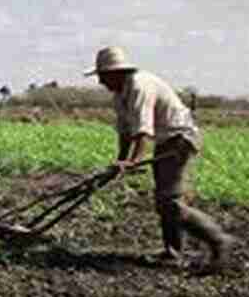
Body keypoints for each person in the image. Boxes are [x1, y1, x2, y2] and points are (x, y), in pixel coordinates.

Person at [85, 46, 236, 272]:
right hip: (166, 140)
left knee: (169, 201)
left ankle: (218, 240)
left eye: (103, 76)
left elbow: (143, 132)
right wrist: (120, 162)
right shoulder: (120, 96)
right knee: (164, 200)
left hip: (180, 138)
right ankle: (172, 252)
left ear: (115, 73)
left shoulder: (139, 86)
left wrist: (133, 161)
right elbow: (126, 134)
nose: (101, 82)